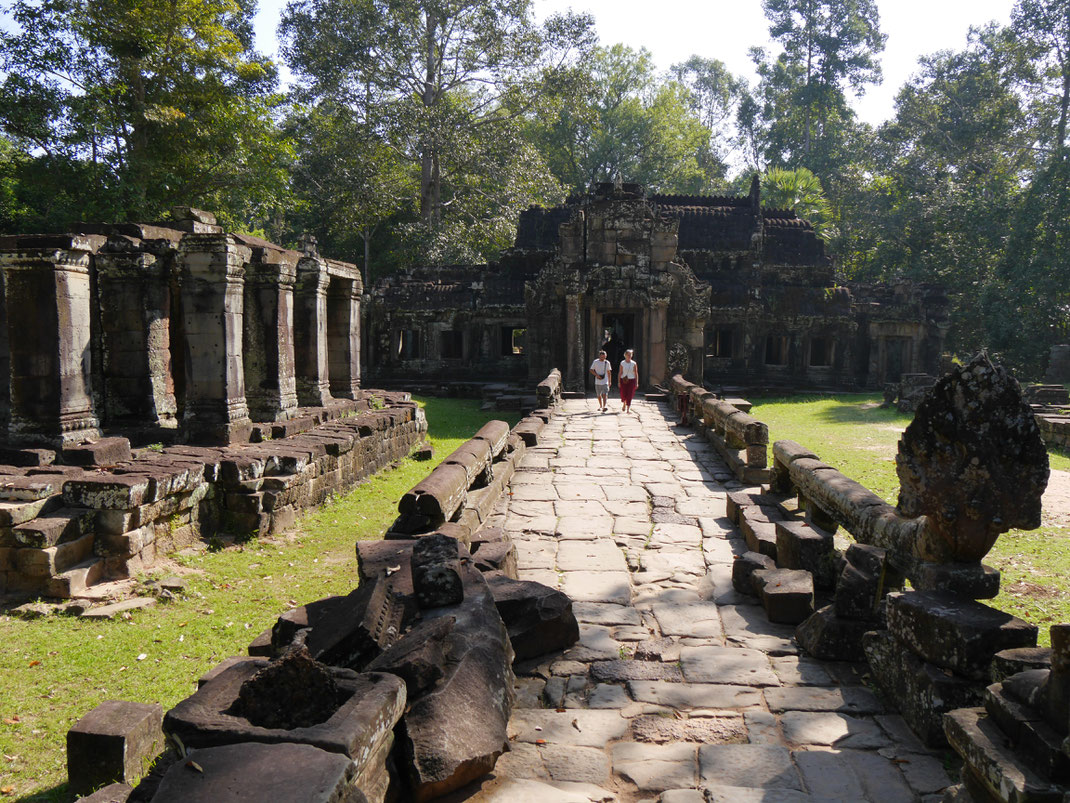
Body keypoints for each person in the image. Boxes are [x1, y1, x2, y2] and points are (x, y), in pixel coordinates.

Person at [618, 349, 638, 413]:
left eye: (630, 355)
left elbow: (636, 373)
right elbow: (620, 372)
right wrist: (618, 382)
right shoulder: (622, 363)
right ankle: (624, 403)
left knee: (630, 394)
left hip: (632, 380)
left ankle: (628, 409)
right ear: (625, 355)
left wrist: (636, 382)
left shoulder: (634, 363)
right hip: (623, 380)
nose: (629, 356)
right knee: (623, 393)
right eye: (628, 355)